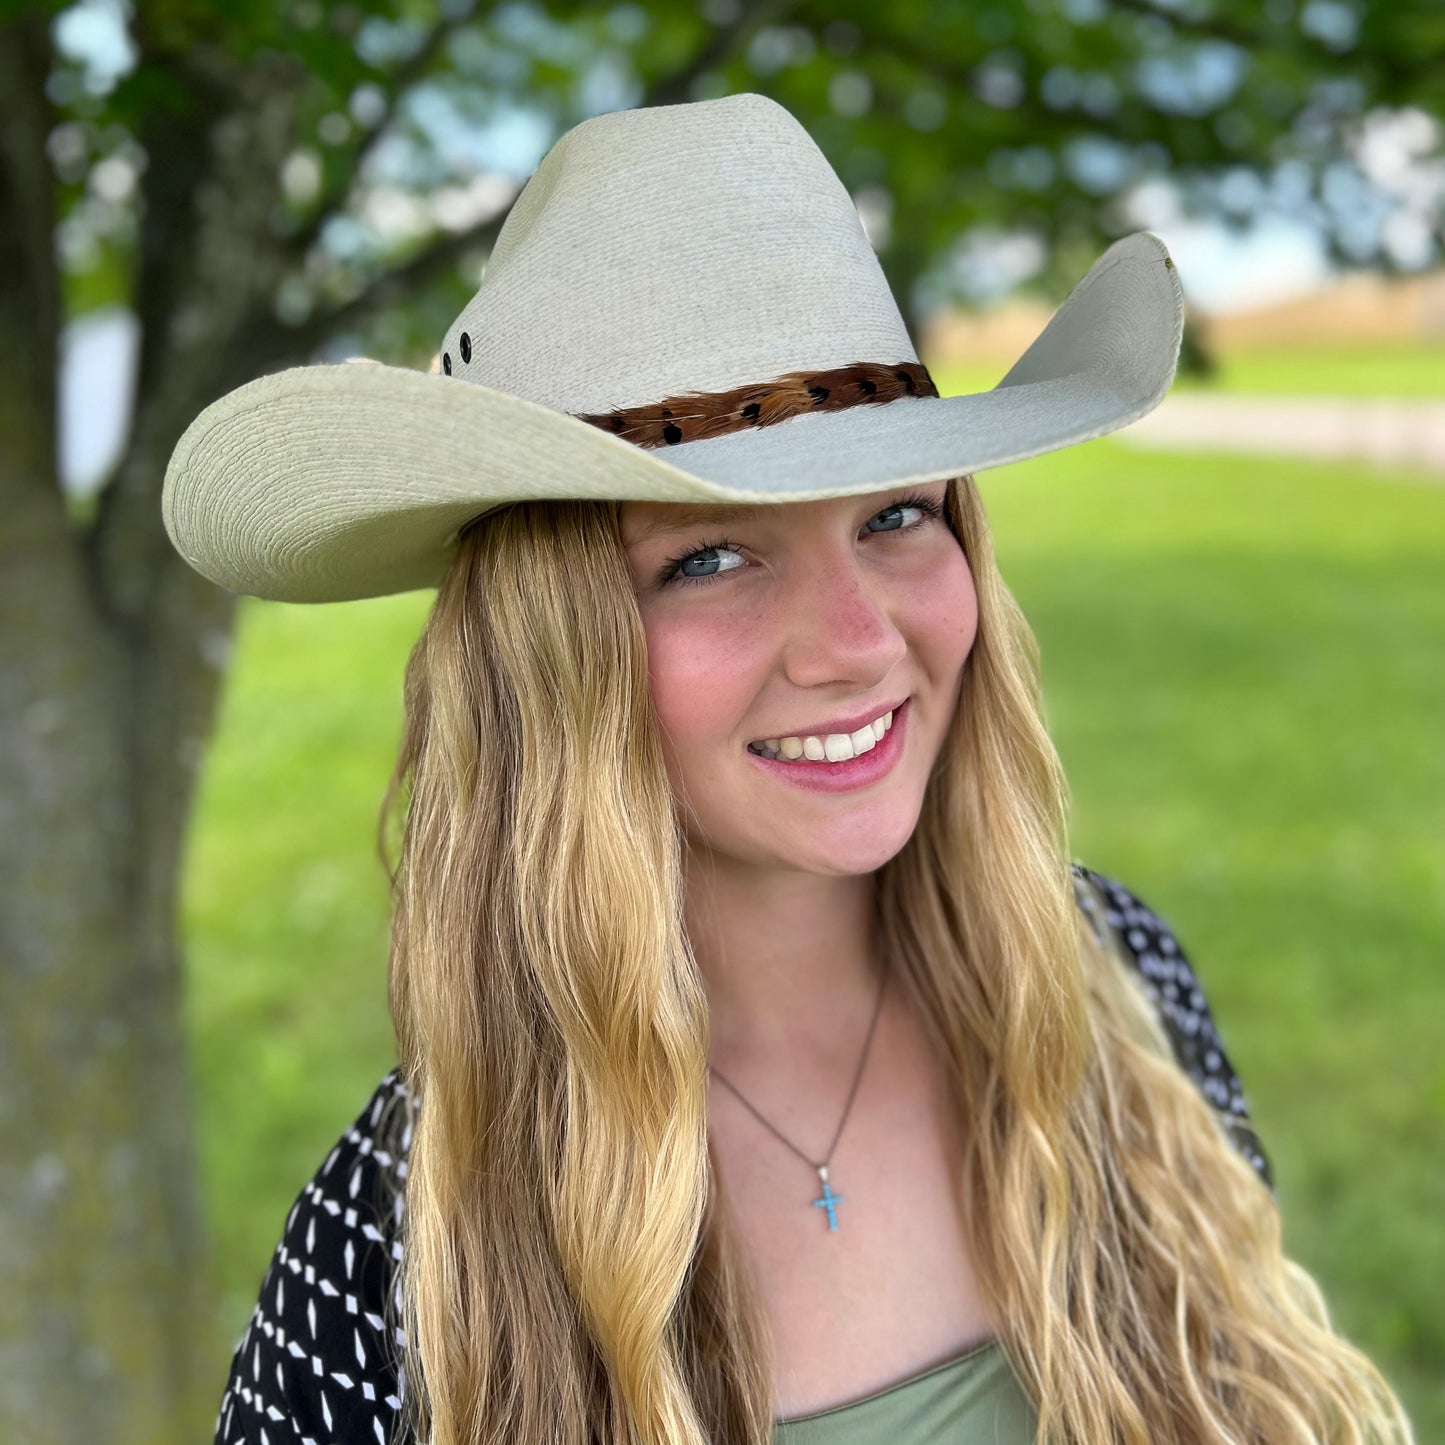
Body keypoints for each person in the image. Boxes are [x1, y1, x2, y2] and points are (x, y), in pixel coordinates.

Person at [163, 92, 1413, 1445]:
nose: (857, 641)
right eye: (708, 554)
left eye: (895, 516)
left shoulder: (1115, 986)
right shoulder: (401, 1248)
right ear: (548, 654)